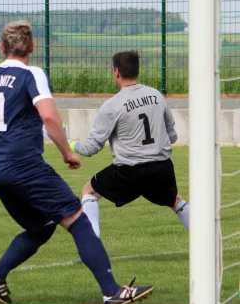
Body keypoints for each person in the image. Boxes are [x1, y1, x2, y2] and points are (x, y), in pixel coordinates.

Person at [0, 21, 153, 304]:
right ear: (32, 47)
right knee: (77, 219)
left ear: (2, 48)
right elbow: (50, 117)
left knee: (41, 227)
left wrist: (2, 151)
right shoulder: (32, 74)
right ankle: (112, 292)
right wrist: (67, 152)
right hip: (26, 167)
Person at [70, 50, 189, 238]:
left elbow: (91, 148)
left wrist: (70, 144)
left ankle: (93, 248)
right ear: (137, 71)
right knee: (175, 200)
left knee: (89, 191)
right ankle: (206, 244)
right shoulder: (157, 95)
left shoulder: (112, 105)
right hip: (161, 167)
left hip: (129, 171)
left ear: (116, 72)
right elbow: (172, 136)